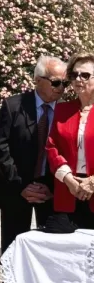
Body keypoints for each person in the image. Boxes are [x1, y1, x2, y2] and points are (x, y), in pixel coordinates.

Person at [0, 54, 66, 283]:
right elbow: (1, 149)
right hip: (16, 188)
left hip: (51, 189)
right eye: (56, 82)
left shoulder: (67, 110)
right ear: (37, 80)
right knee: (12, 243)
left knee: (50, 246)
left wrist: (51, 188)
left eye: (64, 83)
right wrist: (22, 186)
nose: (62, 88)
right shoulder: (14, 106)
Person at [47, 53, 94, 230]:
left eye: (85, 75)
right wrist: (68, 180)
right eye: (74, 75)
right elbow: (52, 148)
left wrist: (92, 183)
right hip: (68, 190)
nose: (78, 79)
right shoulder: (62, 110)